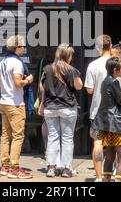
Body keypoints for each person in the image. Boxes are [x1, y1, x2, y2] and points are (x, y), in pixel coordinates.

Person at [40, 43, 83, 178]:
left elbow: (42, 88)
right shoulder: (72, 70)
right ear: (68, 55)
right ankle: (66, 169)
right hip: (67, 108)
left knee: (52, 137)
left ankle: (51, 168)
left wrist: (42, 104)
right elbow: (79, 86)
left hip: (50, 107)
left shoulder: (47, 69)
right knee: (67, 139)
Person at [0, 35, 33, 179]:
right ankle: (14, 168)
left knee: (5, 135)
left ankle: (5, 166)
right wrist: (28, 79)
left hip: (4, 102)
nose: (24, 48)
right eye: (23, 46)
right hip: (15, 104)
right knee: (18, 136)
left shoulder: (3, 61)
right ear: (17, 48)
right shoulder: (17, 63)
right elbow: (18, 83)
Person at [92, 57, 121, 182]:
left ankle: (106, 179)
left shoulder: (105, 81)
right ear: (115, 70)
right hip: (117, 124)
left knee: (110, 155)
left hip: (107, 124)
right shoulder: (114, 82)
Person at [84, 34, 112, 182]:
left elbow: (89, 89)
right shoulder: (119, 64)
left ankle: (99, 177)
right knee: (114, 144)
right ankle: (110, 175)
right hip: (115, 112)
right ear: (111, 46)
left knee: (97, 142)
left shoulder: (93, 65)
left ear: (97, 48)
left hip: (97, 111)